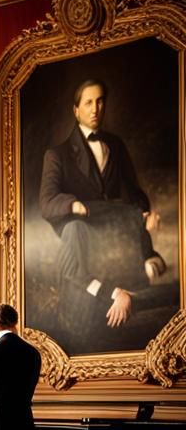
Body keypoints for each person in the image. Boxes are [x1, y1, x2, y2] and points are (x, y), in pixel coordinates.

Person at [39, 78, 164, 333]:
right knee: (85, 310)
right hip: (85, 230)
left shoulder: (115, 145)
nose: (95, 108)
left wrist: (145, 212)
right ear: (76, 110)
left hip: (115, 233)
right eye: (88, 103)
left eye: (100, 101)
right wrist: (73, 205)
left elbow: (131, 188)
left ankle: (142, 274)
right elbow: (47, 202)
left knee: (148, 275)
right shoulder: (57, 154)